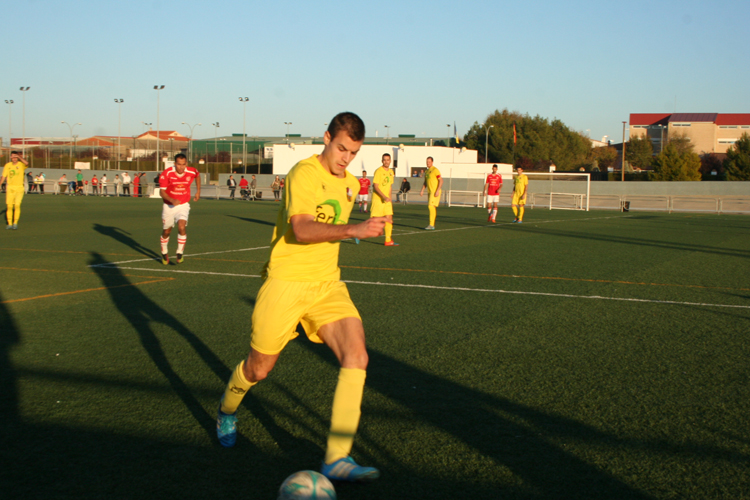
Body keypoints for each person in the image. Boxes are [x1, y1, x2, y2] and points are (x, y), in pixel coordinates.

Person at [216, 112, 385, 483]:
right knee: (258, 369)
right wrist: (354, 228)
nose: (345, 158)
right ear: (326, 138)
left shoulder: (352, 183)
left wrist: (361, 228)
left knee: (357, 355)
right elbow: (303, 229)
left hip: (326, 285)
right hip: (286, 283)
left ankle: (337, 458)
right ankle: (227, 409)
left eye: (353, 153)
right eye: (341, 148)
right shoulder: (302, 174)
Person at [159, 154, 200, 265]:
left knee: (181, 226)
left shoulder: (191, 171)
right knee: (167, 231)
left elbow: (197, 175)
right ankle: (164, 252)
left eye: (183, 164)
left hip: (183, 204)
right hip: (169, 206)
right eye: (179, 164)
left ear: (186, 163)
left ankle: (180, 252)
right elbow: (161, 192)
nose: (181, 167)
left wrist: (198, 191)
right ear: (174, 164)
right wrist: (171, 200)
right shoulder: (167, 173)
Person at [371, 154, 398, 246]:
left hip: (387, 200)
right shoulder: (378, 171)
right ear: (382, 161)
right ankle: (357, 233)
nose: (386, 161)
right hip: (378, 199)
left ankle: (388, 240)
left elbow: (389, 186)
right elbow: (375, 186)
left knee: (389, 219)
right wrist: (383, 196)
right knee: (374, 221)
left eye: (388, 160)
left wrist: (389, 198)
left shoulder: (391, 172)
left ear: (390, 161)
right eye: (384, 160)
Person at [1, 151, 29, 229]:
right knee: (9, 206)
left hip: (19, 188)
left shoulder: (21, 164)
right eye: (13, 157)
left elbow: (26, 163)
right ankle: (9, 223)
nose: (14, 158)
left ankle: (15, 223)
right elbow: (3, 176)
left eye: (15, 157)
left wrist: (19, 157)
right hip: (10, 187)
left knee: (17, 205)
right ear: (10, 157)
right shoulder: (7, 165)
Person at [419, 157, 442, 230]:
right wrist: (422, 190)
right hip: (429, 191)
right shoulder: (426, 171)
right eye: (427, 161)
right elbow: (425, 182)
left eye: (429, 161)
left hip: (435, 191)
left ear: (432, 162)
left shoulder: (435, 170)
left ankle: (431, 224)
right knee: (432, 207)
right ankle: (432, 224)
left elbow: (441, 180)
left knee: (430, 206)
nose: (428, 163)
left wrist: (437, 190)